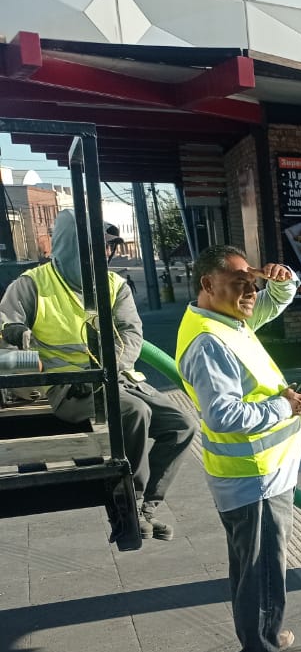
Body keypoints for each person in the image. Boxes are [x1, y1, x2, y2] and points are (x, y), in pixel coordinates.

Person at [0, 210, 196, 541]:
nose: (105, 253)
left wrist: (112, 368)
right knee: (136, 412)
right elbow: (5, 343)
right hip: (67, 389)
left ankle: (146, 508)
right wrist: (25, 359)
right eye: (97, 246)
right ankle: (129, 506)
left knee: (182, 424)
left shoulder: (114, 285)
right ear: (71, 247)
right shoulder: (31, 286)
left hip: (115, 379)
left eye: (109, 247)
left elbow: (131, 335)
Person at [176, 245, 301, 652]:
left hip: (259, 473)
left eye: (252, 280)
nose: (251, 290)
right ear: (208, 285)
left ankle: (262, 636)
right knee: (262, 571)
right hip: (253, 478)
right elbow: (223, 415)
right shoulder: (210, 341)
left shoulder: (227, 322)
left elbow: (278, 298)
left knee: (249, 567)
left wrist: (280, 275)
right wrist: (285, 406)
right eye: (240, 281)